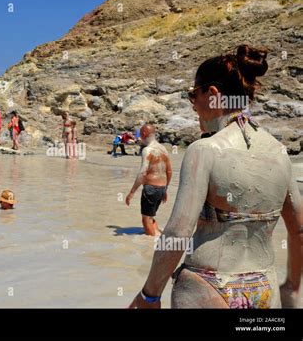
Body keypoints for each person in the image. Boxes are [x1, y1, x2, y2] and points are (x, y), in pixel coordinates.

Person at [128, 45, 302, 309]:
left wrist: (149, 296)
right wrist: (292, 286)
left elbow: (178, 231)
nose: (193, 104)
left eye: (192, 95)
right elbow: (299, 229)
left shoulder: (204, 150)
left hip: (207, 286)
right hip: (265, 288)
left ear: (212, 94)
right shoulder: (278, 152)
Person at [126, 125, 171, 236]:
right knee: (150, 216)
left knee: (145, 219)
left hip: (151, 188)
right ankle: (158, 236)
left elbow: (142, 173)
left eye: (140, 135)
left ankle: (151, 245)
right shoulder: (164, 149)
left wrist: (131, 193)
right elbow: (169, 171)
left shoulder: (147, 150)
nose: (140, 137)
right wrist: (165, 190)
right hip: (161, 188)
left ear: (144, 134)